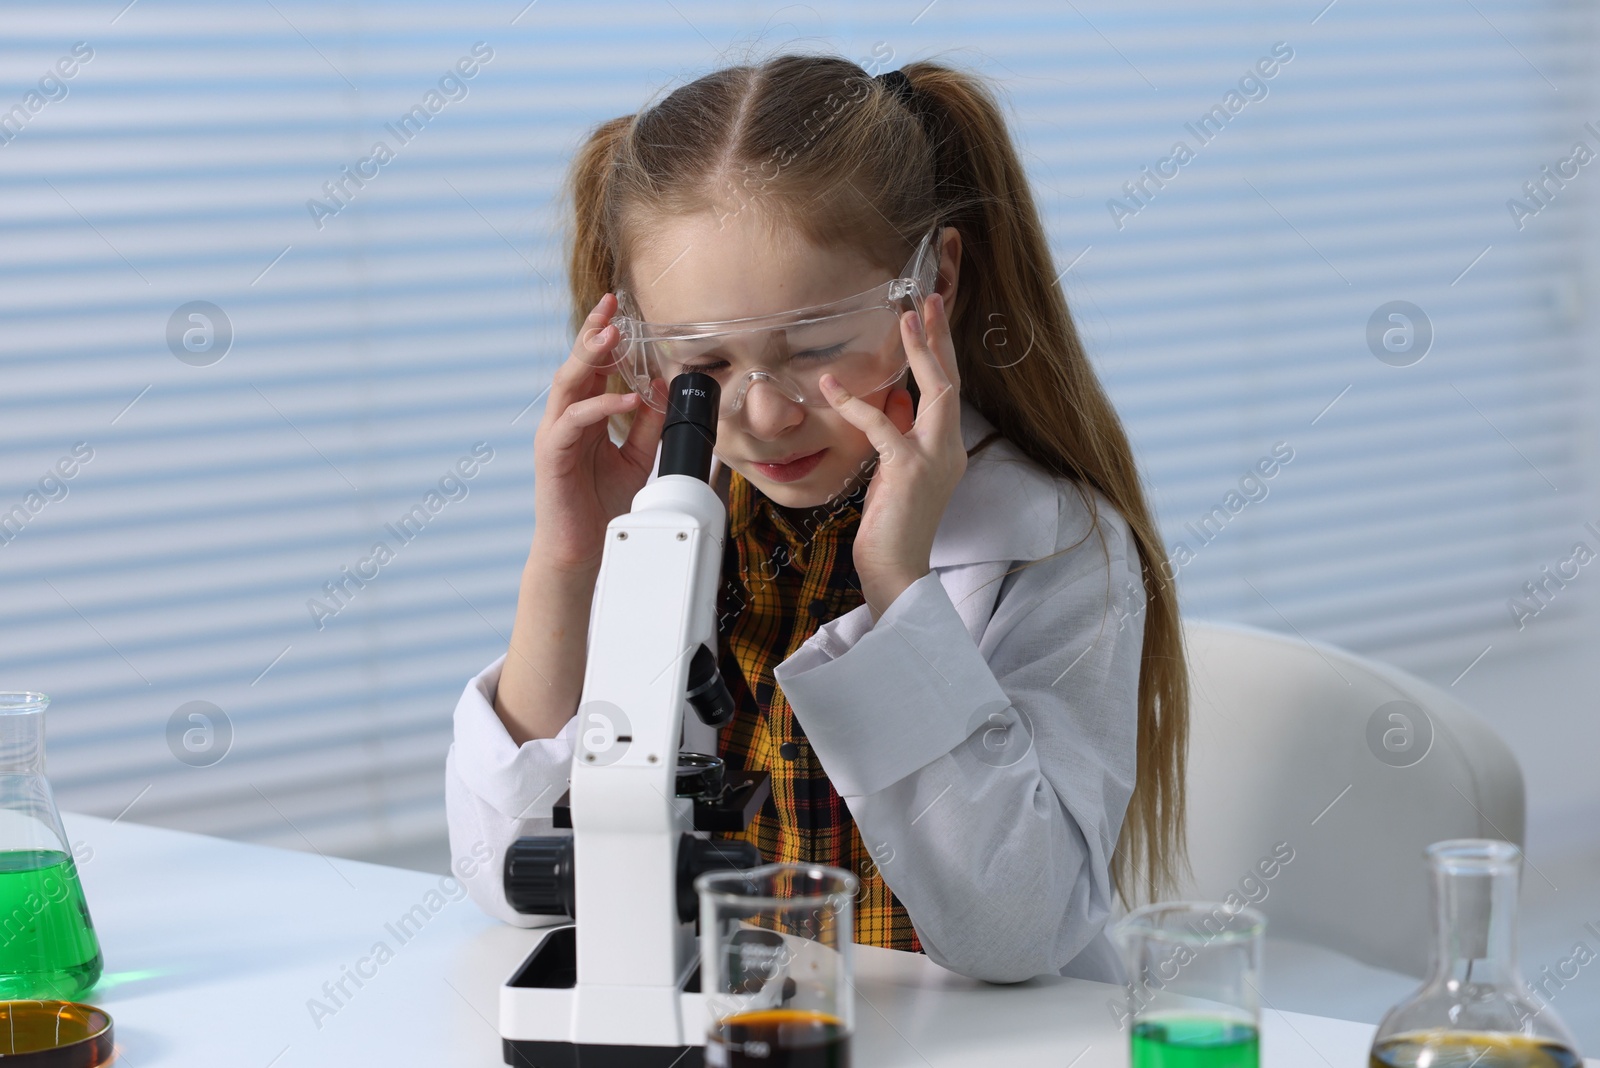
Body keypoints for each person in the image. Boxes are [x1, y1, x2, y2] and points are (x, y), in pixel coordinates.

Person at [444, 54, 1190, 984]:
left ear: (936, 282)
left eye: (820, 348)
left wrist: (899, 590)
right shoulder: (681, 514)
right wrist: (569, 558)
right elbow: (506, 873)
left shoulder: (1056, 544)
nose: (763, 414)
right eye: (704, 364)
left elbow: (1019, 933)